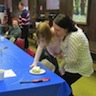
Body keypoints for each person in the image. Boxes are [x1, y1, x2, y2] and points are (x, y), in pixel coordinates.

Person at [53, 14, 94, 96]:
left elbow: (72, 59)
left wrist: (62, 61)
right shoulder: (67, 32)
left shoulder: (74, 37)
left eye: (57, 30)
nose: (55, 32)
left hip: (81, 66)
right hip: (72, 62)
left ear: (66, 29)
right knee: (62, 82)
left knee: (62, 83)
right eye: (54, 28)